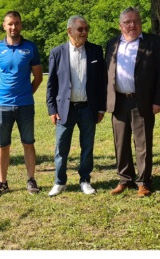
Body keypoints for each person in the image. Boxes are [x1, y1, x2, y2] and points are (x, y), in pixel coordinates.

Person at [105, 6, 160, 196]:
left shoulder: (153, 42)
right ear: (120, 25)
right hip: (119, 101)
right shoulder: (112, 44)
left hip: (144, 101)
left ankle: (144, 182)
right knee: (120, 142)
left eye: (136, 21)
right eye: (128, 22)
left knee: (143, 143)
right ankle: (125, 179)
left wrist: (158, 100)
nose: (133, 25)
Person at [44, 16, 106, 196]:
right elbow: (51, 85)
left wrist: (101, 108)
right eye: (80, 29)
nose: (85, 32)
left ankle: (85, 180)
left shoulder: (95, 51)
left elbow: (101, 82)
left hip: (88, 108)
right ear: (69, 31)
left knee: (87, 146)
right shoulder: (57, 52)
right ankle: (59, 181)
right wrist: (52, 109)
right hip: (65, 109)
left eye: (87, 29)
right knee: (61, 147)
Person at [0, 11, 42, 195]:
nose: (14, 27)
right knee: (3, 145)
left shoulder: (30, 47)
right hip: (3, 105)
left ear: (21, 25)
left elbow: (38, 76)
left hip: (25, 104)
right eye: (10, 24)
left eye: (17, 23)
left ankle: (31, 179)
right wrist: (0, 92)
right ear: (4, 26)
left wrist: (26, 93)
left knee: (28, 143)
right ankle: (2, 182)